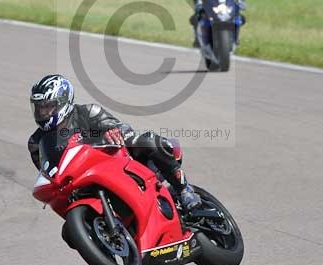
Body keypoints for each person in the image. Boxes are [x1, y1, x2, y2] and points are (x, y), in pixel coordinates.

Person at [26, 74, 202, 210]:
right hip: (80, 182)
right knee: (69, 234)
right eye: (39, 108)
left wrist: (112, 131)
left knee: (146, 140)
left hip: (114, 161)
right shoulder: (36, 142)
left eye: (48, 107)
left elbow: (119, 127)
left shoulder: (87, 112)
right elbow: (47, 172)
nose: (43, 113)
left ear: (63, 102)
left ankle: (183, 189)